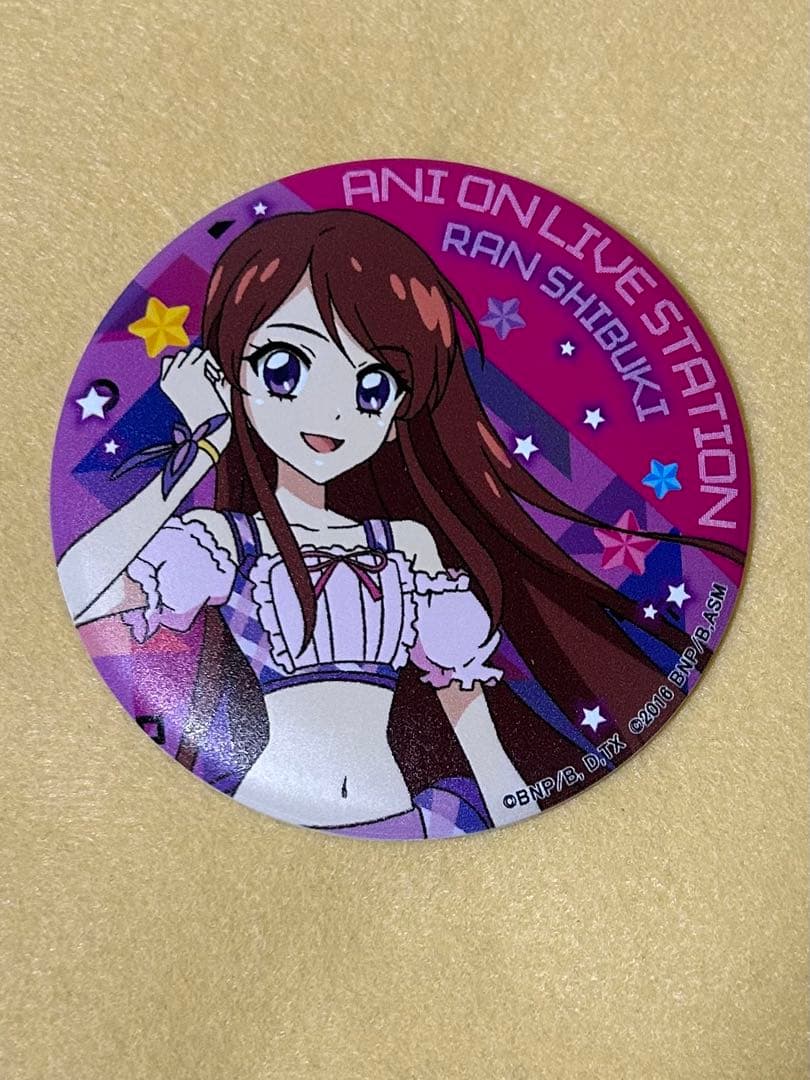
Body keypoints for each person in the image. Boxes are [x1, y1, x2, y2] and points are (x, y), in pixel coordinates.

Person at [57, 210, 743, 838]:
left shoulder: (405, 548)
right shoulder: (224, 544)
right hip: (274, 818)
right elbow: (84, 588)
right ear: (232, 372)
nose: (332, 411)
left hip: (401, 812)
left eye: (372, 387)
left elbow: (461, 698)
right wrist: (199, 445)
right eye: (287, 367)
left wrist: (515, 803)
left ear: (394, 420)